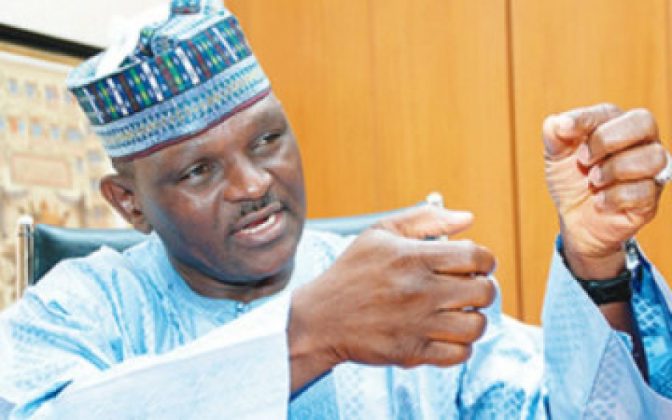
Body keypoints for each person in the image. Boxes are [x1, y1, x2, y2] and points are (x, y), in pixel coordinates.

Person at [1, 1, 671, 418]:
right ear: (129, 204)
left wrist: (596, 264)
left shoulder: (403, 289)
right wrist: (305, 335)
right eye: (199, 170)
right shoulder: (80, 309)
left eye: (267, 139)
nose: (253, 184)